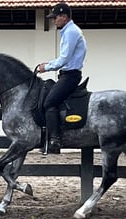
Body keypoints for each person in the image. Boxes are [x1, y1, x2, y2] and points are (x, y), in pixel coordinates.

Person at [38, 2, 87, 154]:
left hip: (70, 76)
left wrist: (46, 67)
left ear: (64, 17)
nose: (54, 21)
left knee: (49, 102)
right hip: (67, 74)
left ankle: (55, 139)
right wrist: (49, 63)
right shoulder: (68, 31)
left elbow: (64, 59)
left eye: (56, 18)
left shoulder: (71, 32)